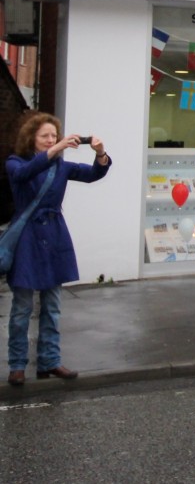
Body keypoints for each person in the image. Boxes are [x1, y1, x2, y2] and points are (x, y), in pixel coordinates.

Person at [6, 112, 111, 387]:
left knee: (52, 306)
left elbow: (92, 174)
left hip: (54, 237)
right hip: (28, 238)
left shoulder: (61, 166)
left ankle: (49, 361)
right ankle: (17, 365)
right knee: (21, 308)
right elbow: (23, 174)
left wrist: (101, 154)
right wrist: (57, 148)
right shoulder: (15, 162)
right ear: (32, 138)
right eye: (45, 136)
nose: (51, 139)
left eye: (54, 135)